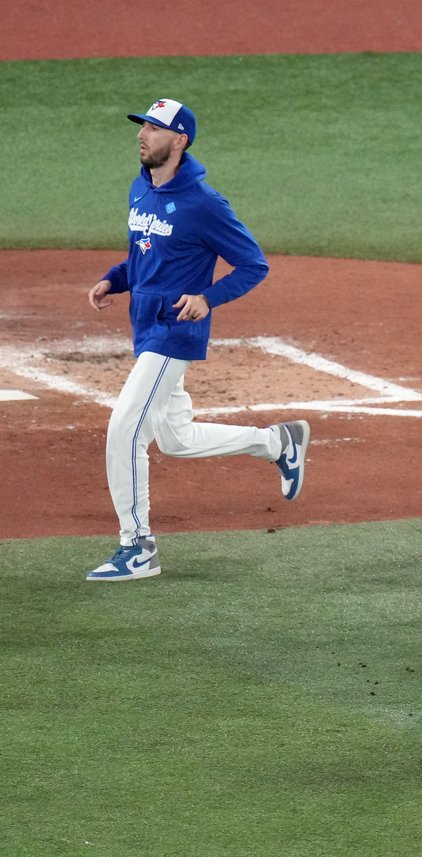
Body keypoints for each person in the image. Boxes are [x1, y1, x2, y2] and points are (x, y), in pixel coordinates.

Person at [85, 98, 305, 582]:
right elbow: (144, 258)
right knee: (176, 438)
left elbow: (253, 265)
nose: (142, 135)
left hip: (174, 331)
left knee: (125, 428)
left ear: (179, 140)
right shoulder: (140, 191)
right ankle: (276, 442)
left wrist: (208, 298)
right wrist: (113, 279)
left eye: (153, 129)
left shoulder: (204, 204)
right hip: (144, 327)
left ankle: (137, 546)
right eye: (142, 126)